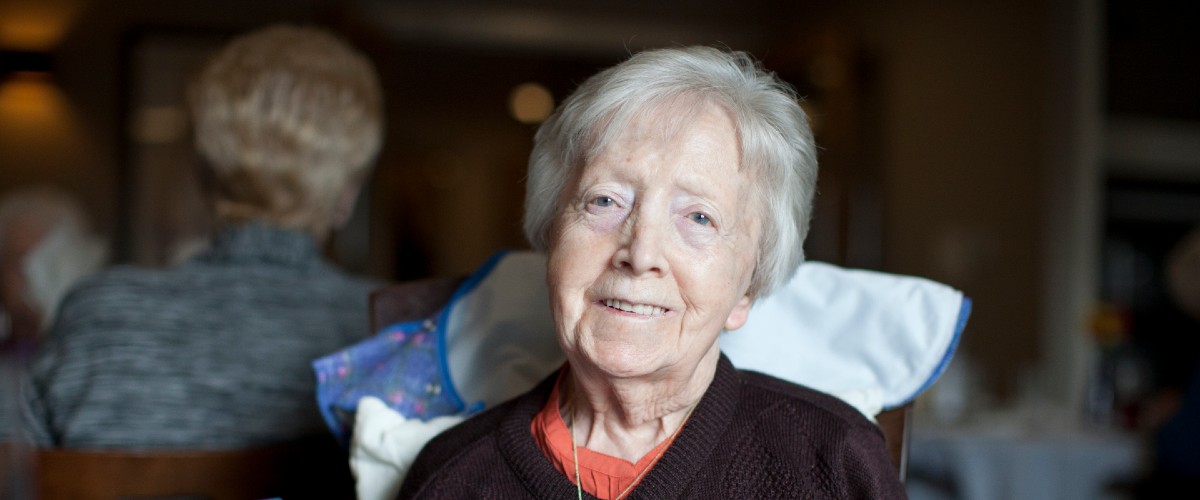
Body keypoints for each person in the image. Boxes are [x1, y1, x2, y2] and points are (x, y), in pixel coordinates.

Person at [398, 46, 905, 499]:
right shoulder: (452, 476)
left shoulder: (833, 462)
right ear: (552, 236)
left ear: (746, 290)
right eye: (605, 201)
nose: (640, 253)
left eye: (699, 217)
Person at [21, 25, 385, 449]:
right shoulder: (397, 332)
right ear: (348, 194)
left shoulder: (99, 317)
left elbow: (18, 476)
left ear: (203, 172)